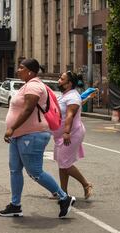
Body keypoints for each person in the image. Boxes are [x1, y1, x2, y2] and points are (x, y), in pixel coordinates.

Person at [0, 58, 75, 218]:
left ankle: (64, 197)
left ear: (30, 72)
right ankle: (15, 205)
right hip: (19, 135)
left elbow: (28, 109)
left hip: (31, 135)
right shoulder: (27, 85)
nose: (18, 70)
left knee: (35, 172)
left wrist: (12, 127)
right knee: (15, 170)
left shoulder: (34, 86)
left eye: (21, 68)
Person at [53, 71, 93, 199]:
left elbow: (70, 115)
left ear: (69, 83)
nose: (59, 80)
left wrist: (66, 132)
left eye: (61, 78)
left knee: (65, 163)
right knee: (62, 163)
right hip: (61, 135)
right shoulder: (65, 95)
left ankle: (86, 184)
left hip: (71, 133)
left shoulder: (72, 97)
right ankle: (62, 193)